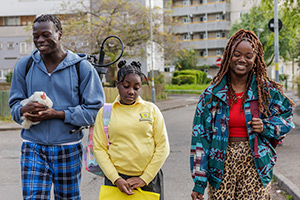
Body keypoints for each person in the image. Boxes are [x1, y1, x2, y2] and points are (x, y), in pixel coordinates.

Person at [190, 29, 295, 200]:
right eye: (237, 54)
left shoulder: (266, 92)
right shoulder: (211, 95)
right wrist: (199, 182)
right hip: (220, 166)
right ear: (228, 56)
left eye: (248, 56)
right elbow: (200, 139)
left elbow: (288, 117)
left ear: (255, 59)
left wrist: (266, 126)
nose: (242, 60)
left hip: (256, 163)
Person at [8, 14, 105, 199]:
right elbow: (13, 106)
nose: (40, 40)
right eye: (36, 36)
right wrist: (23, 110)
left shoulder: (81, 67)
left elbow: (95, 112)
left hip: (68, 148)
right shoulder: (24, 66)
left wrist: (57, 114)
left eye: (46, 34)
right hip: (33, 147)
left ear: (59, 34)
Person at [93, 60, 170, 200]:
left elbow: (163, 147)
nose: (131, 92)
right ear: (117, 85)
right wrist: (116, 179)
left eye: (136, 88)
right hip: (115, 180)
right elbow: (99, 148)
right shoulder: (105, 112)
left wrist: (145, 178)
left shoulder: (151, 110)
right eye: (126, 86)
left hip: (149, 180)